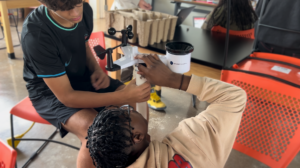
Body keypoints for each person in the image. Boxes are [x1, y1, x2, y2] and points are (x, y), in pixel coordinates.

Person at [21, 0, 151, 167]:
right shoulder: (36, 35)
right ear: (47, 5)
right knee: (94, 131)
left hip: (84, 75)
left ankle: (137, 161)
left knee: (138, 105)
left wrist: (96, 69)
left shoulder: (85, 11)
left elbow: (83, 44)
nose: (76, 13)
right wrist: (121, 96)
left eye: (78, 4)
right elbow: (67, 97)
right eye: (67, 9)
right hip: (50, 91)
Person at [86, 54, 247, 168]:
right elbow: (234, 96)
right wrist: (173, 79)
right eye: (126, 111)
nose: (127, 107)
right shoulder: (193, 142)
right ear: (137, 136)